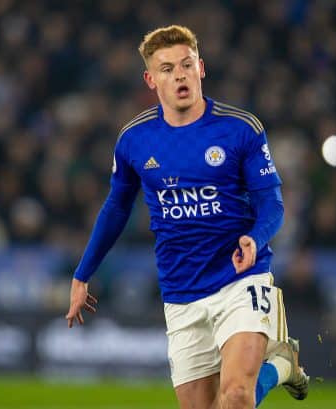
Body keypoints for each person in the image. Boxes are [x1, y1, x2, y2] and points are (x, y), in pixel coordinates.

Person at [65, 25, 309, 409]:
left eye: (186, 64)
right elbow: (116, 208)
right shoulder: (134, 139)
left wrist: (254, 239)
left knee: (235, 397)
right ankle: (281, 364)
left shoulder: (240, 128)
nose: (179, 74)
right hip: (181, 290)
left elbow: (272, 205)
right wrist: (82, 274)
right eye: (166, 68)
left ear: (201, 68)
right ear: (150, 79)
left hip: (240, 277)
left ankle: (275, 365)